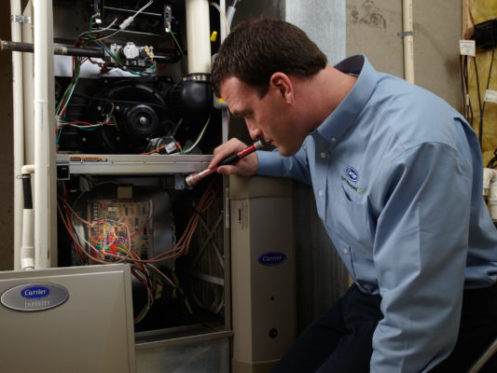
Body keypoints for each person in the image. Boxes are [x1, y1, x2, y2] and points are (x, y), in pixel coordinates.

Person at [209, 17, 497, 372]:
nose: (252, 132)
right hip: (372, 294)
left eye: (249, 114)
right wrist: (258, 163)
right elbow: (312, 163)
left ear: (283, 87)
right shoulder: (323, 119)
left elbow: (418, 320)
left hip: (447, 305)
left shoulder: (413, 146)